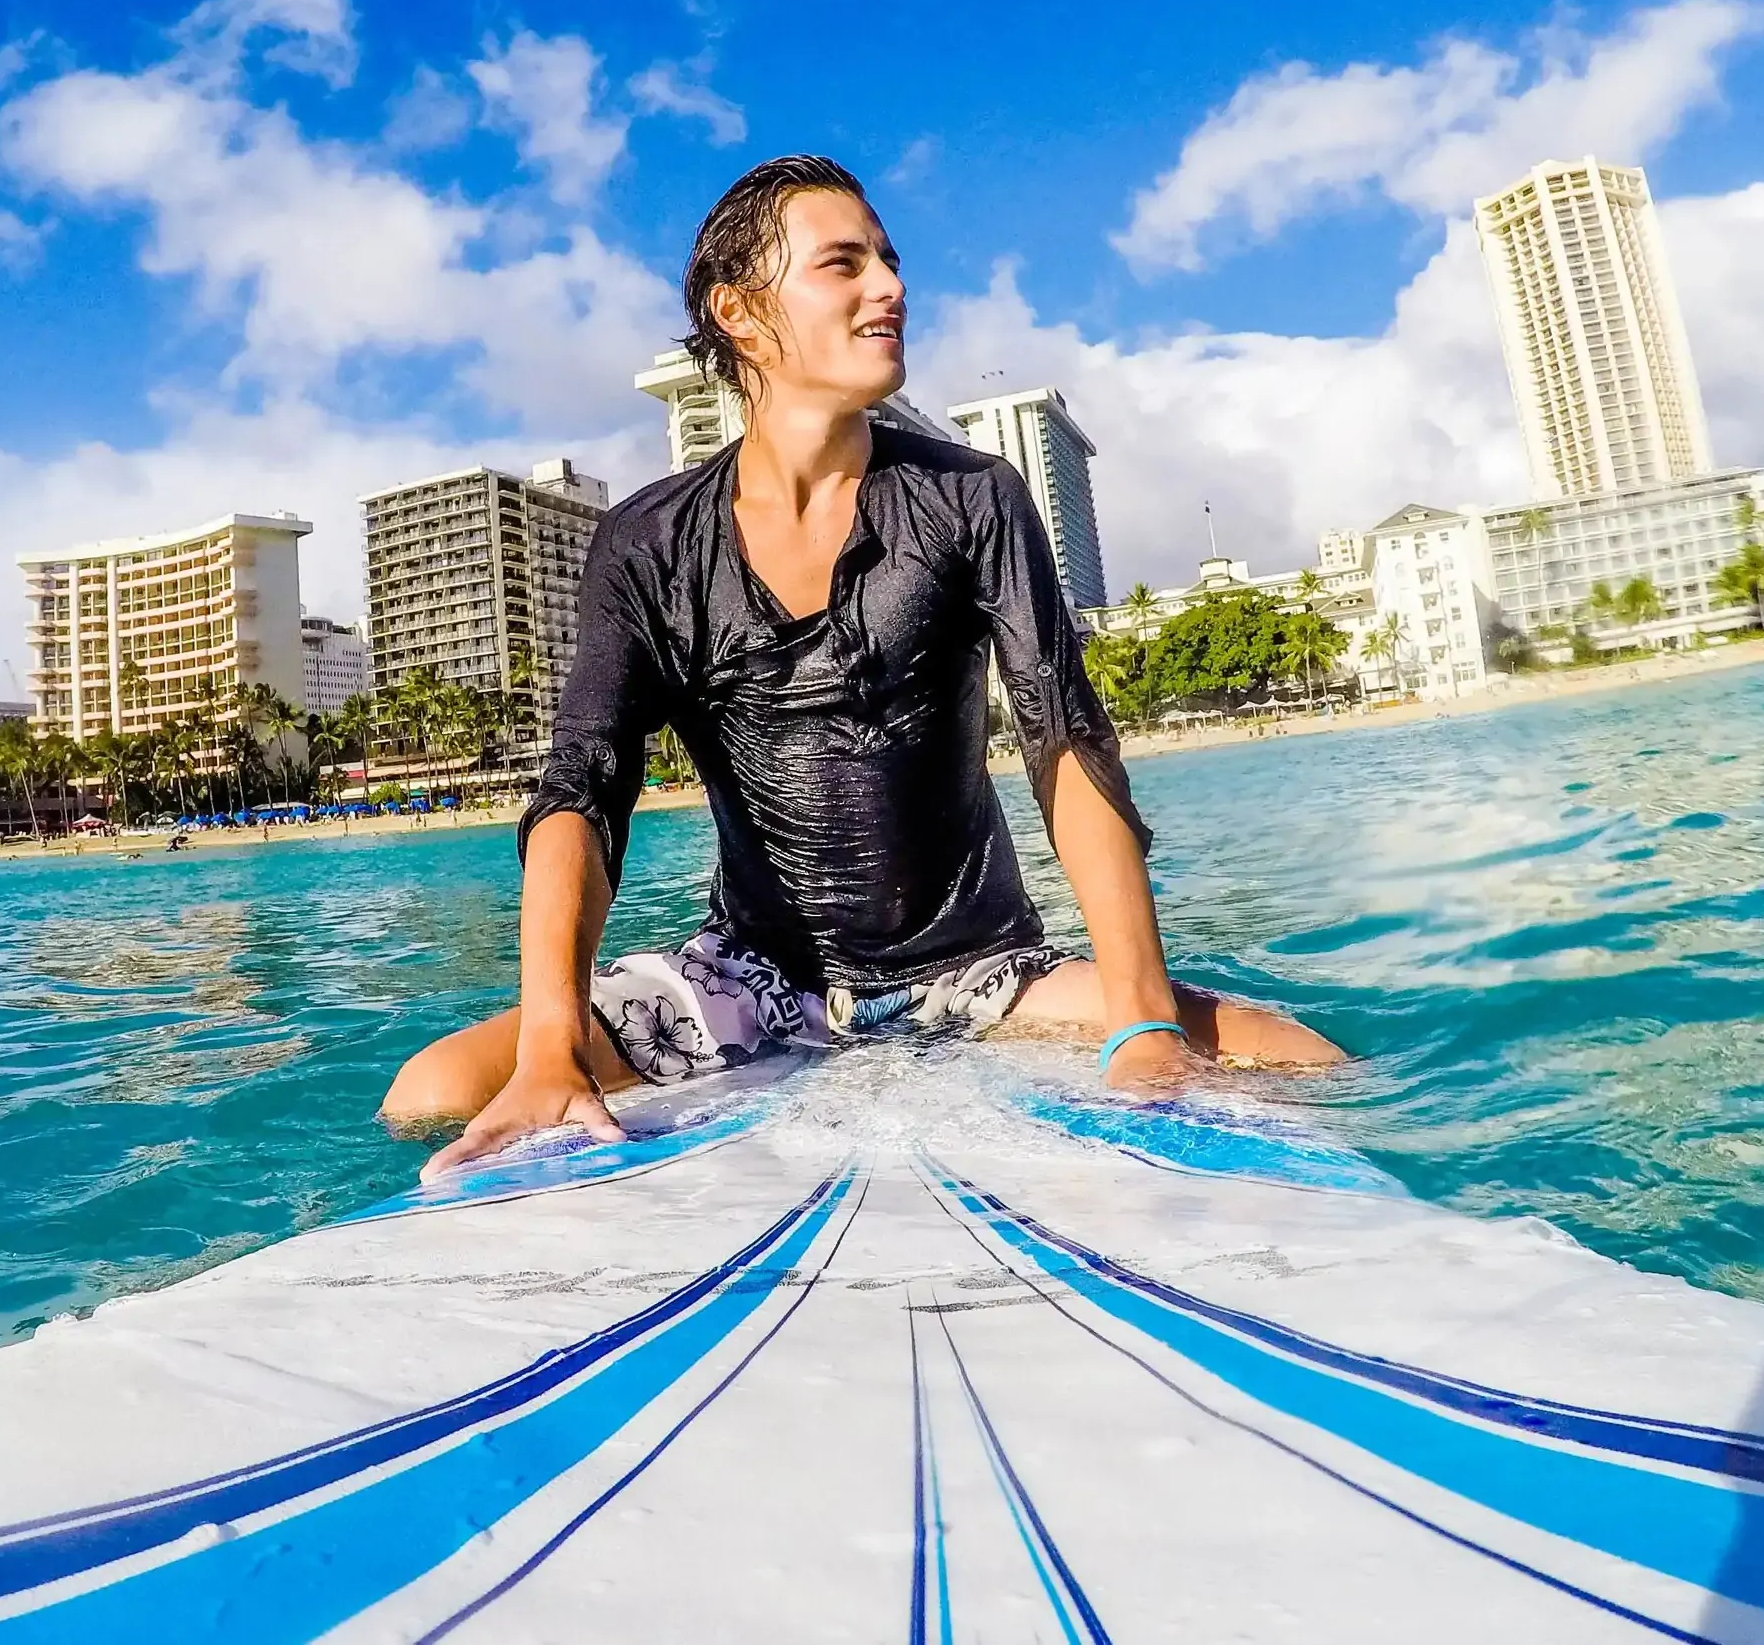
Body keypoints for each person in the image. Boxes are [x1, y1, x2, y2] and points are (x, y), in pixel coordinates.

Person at [383, 156, 1340, 1176]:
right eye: (845, 264)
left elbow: (1066, 742)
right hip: (752, 982)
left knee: (1305, 1061)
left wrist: (1143, 1019)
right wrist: (550, 1044)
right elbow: (583, 791)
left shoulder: (973, 498)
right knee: (433, 1092)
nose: (890, 285)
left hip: (982, 972)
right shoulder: (648, 544)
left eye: (888, 259)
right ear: (743, 312)